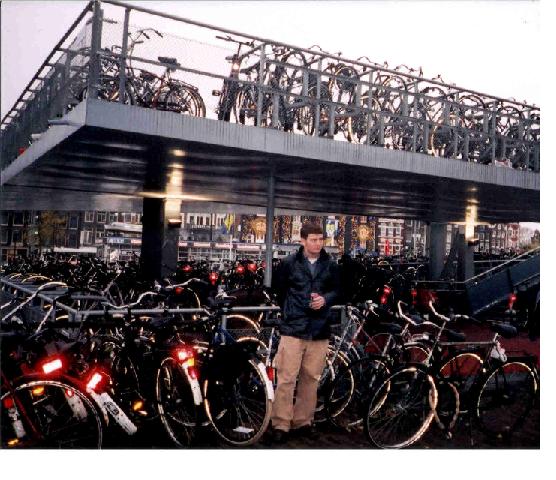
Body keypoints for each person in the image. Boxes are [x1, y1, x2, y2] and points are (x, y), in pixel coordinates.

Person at [268, 223, 340, 444]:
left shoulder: (331, 265)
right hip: (293, 328)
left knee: (311, 379)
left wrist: (325, 300)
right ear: (303, 240)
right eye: (314, 239)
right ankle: (281, 423)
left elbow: (339, 290)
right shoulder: (289, 263)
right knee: (286, 378)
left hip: (319, 330)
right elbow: (279, 291)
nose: (318, 244)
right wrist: (291, 311)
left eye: (321, 239)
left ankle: (303, 422)